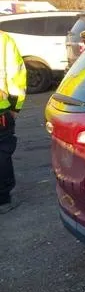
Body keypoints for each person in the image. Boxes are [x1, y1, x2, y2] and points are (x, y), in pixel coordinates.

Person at [0, 30, 27, 214]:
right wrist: (15, 108)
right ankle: (3, 200)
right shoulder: (3, 40)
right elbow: (16, 77)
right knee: (1, 153)